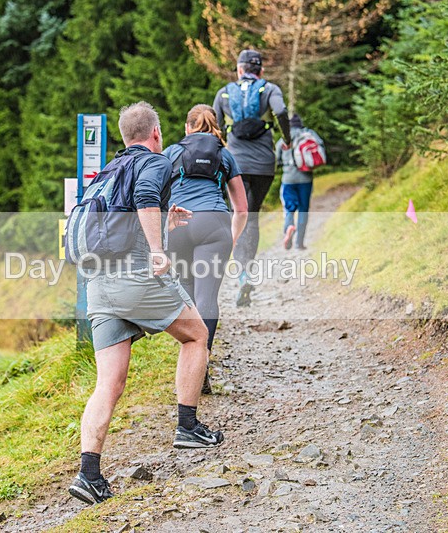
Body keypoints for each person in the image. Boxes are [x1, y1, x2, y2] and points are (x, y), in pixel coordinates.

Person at [68, 101, 224, 506]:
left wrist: (162, 225)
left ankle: (89, 475)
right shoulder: (153, 161)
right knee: (197, 336)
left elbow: (127, 212)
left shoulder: (108, 170)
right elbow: (144, 197)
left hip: (97, 286)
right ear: (156, 133)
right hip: (134, 278)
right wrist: (158, 249)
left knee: (109, 382)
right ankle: (188, 427)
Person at [165, 104, 248, 393]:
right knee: (207, 297)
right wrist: (232, 238)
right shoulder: (225, 155)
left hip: (178, 225)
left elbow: (155, 195)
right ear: (216, 127)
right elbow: (242, 209)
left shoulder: (172, 153)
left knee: (187, 298)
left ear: (187, 127)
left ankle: (191, 365)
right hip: (214, 225)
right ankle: (202, 366)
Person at [213, 49, 292, 306]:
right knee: (252, 214)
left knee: (238, 214)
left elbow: (216, 126)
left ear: (239, 70)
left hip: (235, 162)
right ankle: (248, 269)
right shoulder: (270, 89)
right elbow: (280, 111)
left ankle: (243, 273)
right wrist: (287, 140)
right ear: (261, 71)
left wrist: (223, 143)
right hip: (263, 164)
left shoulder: (224, 92)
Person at [276, 114, 325, 250]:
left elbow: (276, 159)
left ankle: (289, 227)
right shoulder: (309, 134)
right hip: (306, 179)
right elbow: (320, 147)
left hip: (288, 180)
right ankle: (300, 243)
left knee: (289, 209)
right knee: (303, 210)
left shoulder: (284, 139)